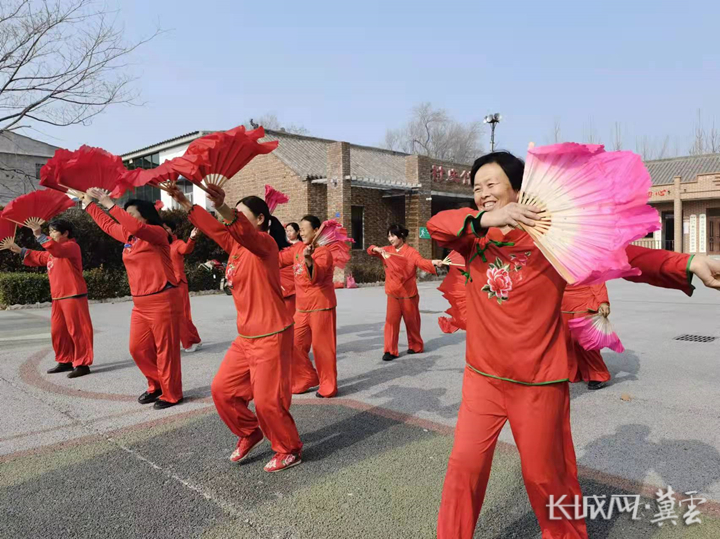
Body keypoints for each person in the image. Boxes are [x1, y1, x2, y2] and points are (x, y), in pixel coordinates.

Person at [427, 150, 720, 539]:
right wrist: (484, 220)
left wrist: (686, 262)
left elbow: (626, 256)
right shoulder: (472, 238)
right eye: (477, 188)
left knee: (546, 477)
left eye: (492, 184)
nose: (483, 193)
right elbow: (435, 226)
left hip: (538, 385)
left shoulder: (553, 238)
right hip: (483, 379)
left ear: (517, 190)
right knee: (464, 466)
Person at [167, 184, 303, 473]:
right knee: (222, 391)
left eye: (240, 215)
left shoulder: (264, 245)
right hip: (246, 337)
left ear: (260, 220)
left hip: (272, 334)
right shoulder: (236, 248)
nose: (232, 220)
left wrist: (224, 207)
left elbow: (239, 230)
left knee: (268, 402)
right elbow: (218, 230)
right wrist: (183, 202)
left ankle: (289, 449)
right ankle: (249, 432)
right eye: (233, 215)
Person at [83, 189, 183, 409]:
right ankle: (156, 384)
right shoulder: (130, 236)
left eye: (131, 213)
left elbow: (135, 226)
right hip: (140, 303)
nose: (126, 217)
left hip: (162, 298)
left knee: (166, 350)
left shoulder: (157, 233)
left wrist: (108, 202)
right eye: (125, 213)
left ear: (145, 216)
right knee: (138, 349)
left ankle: (172, 393)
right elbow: (108, 225)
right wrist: (89, 204)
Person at [8, 219, 93, 378]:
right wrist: (20, 250)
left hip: (73, 295)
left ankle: (82, 364)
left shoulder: (71, 247)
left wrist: (40, 235)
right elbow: (41, 256)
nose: (51, 234)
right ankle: (65, 360)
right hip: (58, 296)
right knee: (58, 331)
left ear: (66, 233)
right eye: (50, 231)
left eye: (54, 231)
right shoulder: (54, 251)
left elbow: (56, 250)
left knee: (78, 331)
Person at [279, 216, 338, 398]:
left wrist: (309, 259)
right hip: (302, 308)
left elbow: (316, 277)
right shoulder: (297, 248)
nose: (302, 232)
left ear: (316, 230)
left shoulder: (323, 252)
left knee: (323, 349)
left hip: (321, 307)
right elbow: (279, 259)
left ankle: (329, 386)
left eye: (305, 229)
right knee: (292, 344)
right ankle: (306, 378)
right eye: (301, 229)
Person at [367, 224, 442, 361]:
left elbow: (421, 262)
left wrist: (434, 262)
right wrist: (376, 248)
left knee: (411, 321)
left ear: (401, 236)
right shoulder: (386, 251)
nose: (390, 239)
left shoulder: (411, 252)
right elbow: (370, 249)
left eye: (393, 236)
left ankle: (416, 345)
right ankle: (390, 350)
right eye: (388, 236)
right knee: (391, 322)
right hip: (393, 292)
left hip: (408, 293)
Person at [562, 283, 612, 390]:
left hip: (585, 299)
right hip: (563, 301)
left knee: (584, 339)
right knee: (566, 340)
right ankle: (573, 372)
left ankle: (599, 374)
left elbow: (597, 279)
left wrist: (603, 302)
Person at [163, 219, 203, 353]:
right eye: (161, 228)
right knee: (167, 316)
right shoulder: (158, 245)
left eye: (167, 228)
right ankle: (194, 339)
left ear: (172, 230)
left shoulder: (177, 243)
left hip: (178, 283)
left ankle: (190, 341)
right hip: (163, 285)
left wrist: (191, 238)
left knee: (183, 315)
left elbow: (187, 249)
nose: (164, 230)